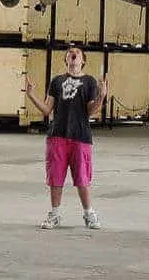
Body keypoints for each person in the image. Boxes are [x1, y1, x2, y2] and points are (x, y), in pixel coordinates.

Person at [25, 47, 107, 230]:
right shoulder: (57, 81)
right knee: (55, 177)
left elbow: (90, 111)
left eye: (77, 52)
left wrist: (101, 96)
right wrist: (31, 95)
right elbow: (47, 109)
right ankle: (54, 214)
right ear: (66, 59)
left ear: (82, 60)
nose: (74, 54)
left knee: (82, 178)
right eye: (70, 52)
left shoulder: (89, 82)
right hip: (57, 136)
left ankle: (89, 214)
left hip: (80, 136)